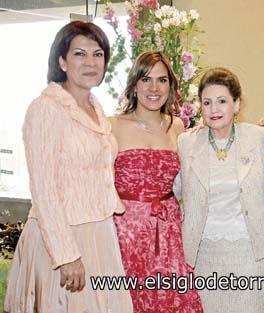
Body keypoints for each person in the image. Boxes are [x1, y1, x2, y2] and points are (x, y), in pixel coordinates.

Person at [3, 21, 133, 313]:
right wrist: (65, 255)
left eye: (98, 54)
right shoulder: (45, 109)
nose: (90, 62)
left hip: (100, 234)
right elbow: (44, 190)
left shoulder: (96, 109)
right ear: (62, 61)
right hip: (62, 240)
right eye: (79, 54)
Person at [176, 67, 264, 312]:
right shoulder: (187, 142)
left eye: (222, 101)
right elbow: (176, 189)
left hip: (252, 253)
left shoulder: (260, 137)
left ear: (237, 104)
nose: (214, 109)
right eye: (207, 102)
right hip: (205, 253)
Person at [110, 51, 202, 313]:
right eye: (146, 79)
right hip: (125, 230)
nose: (154, 88)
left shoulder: (178, 126)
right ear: (134, 85)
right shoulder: (112, 125)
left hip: (168, 229)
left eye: (162, 80)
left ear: (170, 86)